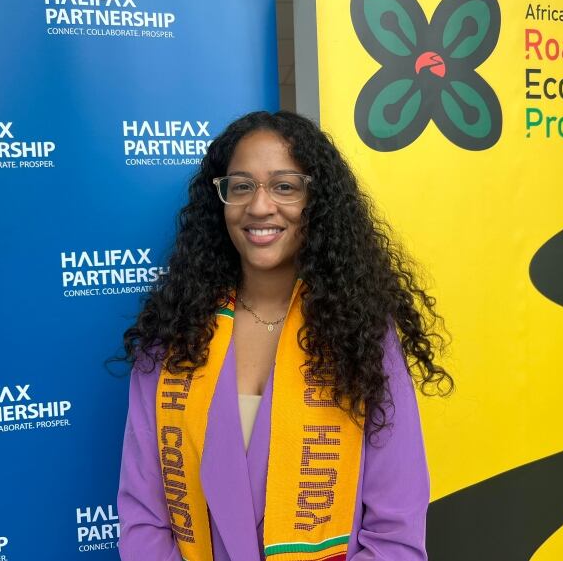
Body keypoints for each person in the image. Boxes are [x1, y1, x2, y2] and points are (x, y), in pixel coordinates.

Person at [117, 110, 453, 561]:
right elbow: (145, 517)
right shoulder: (176, 335)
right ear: (220, 201)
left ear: (316, 202)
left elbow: (393, 531)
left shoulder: (361, 335)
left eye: (284, 186)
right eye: (241, 186)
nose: (260, 207)